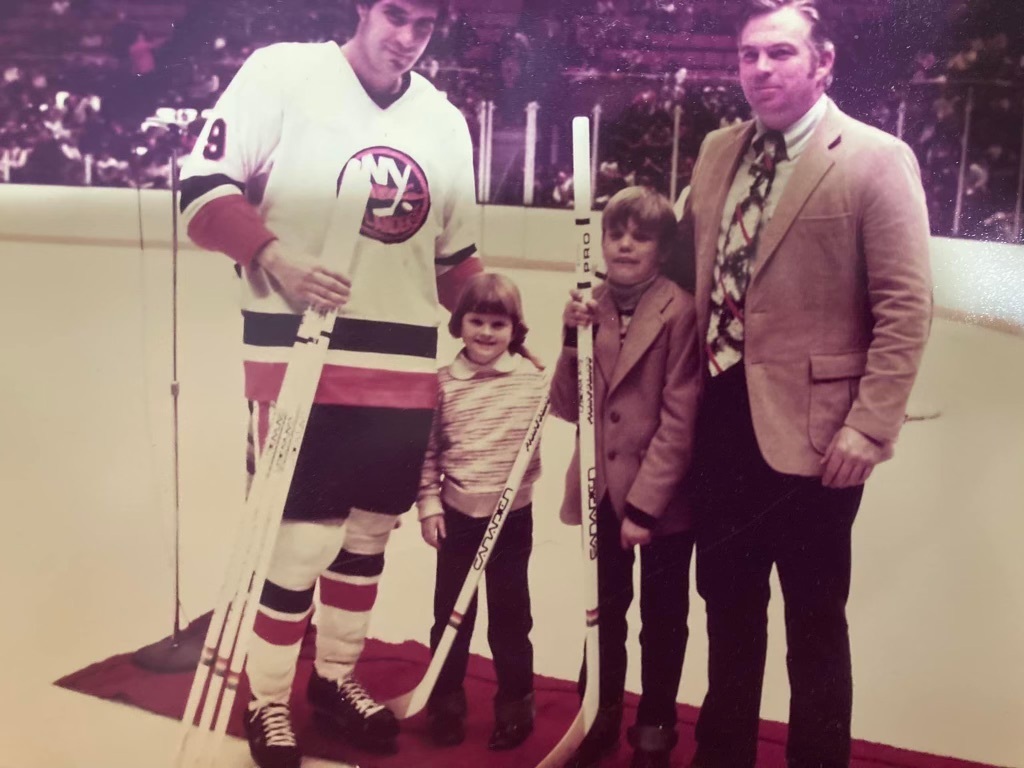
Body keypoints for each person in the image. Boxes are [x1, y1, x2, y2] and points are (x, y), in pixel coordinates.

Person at [177, 1, 483, 766]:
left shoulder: (444, 120)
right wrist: (275, 256)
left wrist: (503, 312)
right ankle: (269, 698)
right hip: (301, 359)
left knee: (366, 540)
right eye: (395, 14)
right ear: (362, 7)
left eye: (424, 25)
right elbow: (200, 190)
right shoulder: (283, 74)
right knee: (300, 542)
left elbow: (453, 266)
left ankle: (336, 679)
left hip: (403, 368)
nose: (406, 37)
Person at [674, 1, 933, 766]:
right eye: (750, 54)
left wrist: (869, 426)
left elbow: (906, 306)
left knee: (814, 620)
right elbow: (685, 272)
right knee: (727, 610)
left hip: (820, 442)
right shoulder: (720, 151)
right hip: (720, 423)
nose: (761, 69)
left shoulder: (874, 157)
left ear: (823, 63)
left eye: (780, 54)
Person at [553, 186, 702, 768]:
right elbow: (569, 405)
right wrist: (571, 337)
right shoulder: (588, 306)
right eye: (616, 233)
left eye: (640, 236)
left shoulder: (680, 311)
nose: (624, 244)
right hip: (601, 491)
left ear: (663, 252)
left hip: (661, 501)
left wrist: (645, 506)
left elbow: (681, 415)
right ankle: (598, 717)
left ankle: (654, 732)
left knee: (662, 621)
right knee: (603, 614)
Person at [416, 271, 546, 752]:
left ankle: (516, 708)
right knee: (451, 616)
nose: (486, 333)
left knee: (512, 618)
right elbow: (427, 452)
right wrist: (429, 505)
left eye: (498, 324)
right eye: (477, 321)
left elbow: (576, 403)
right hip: (459, 518)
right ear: (459, 323)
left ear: (515, 329)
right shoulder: (444, 384)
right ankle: (444, 702)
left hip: (513, 520)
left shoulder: (535, 383)